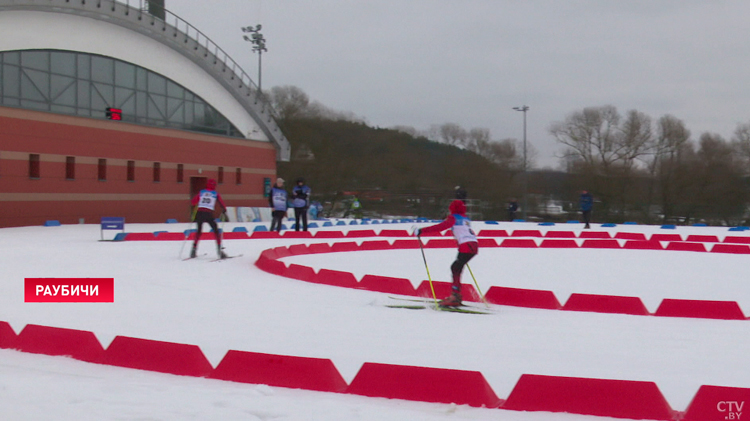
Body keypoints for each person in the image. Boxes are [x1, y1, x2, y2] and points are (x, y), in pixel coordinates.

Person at [414, 199, 478, 307]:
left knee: (455, 268)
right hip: (473, 245)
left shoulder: (453, 218)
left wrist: (422, 231)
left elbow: (441, 227)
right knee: (457, 267)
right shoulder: (465, 218)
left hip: (465, 246)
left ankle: (455, 296)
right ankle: (456, 295)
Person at [190, 178, 227, 259]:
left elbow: (193, 202)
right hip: (208, 213)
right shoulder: (215, 193)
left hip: (199, 213)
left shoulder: (202, 192)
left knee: (199, 231)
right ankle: (219, 251)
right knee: (216, 231)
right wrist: (224, 209)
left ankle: (193, 250)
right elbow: (221, 203)